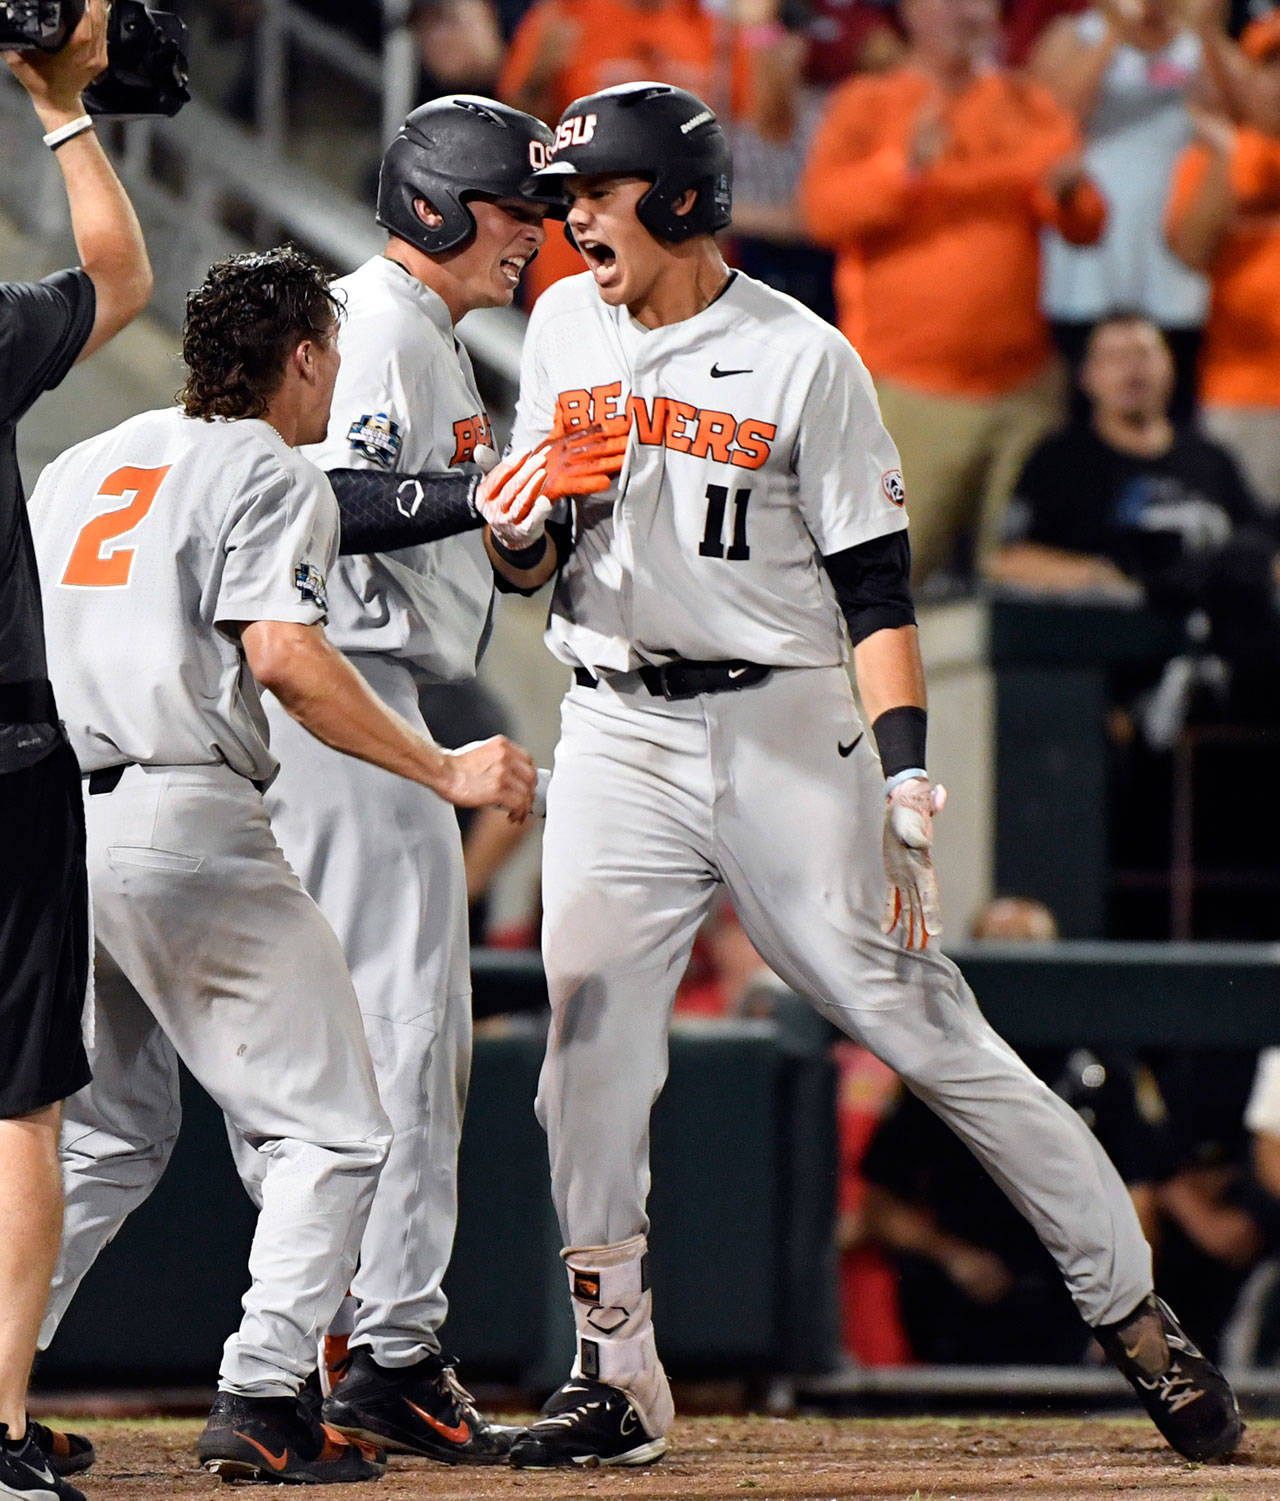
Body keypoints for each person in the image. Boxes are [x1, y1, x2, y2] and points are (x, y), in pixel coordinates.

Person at [482, 79, 1243, 1470]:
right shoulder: (556, 322)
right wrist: (519, 528)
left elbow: (879, 592)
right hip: (614, 724)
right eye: (566, 198)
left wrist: (905, 778)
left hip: (785, 727)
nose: (575, 218)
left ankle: (1133, 1308)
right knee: (585, 1048)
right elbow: (534, 568)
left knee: (922, 1026)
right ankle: (615, 1368)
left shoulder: (803, 356)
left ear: (685, 198)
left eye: (600, 191)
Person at [27, 246, 537, 1486]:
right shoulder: (272, 465)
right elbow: (287, 659)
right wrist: (446, 770)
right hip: (185, 814)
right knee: (337, 1129)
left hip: (56, 819)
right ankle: (265, 1391)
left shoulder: (87, 460)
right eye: (329, 360)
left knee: (98, 1140)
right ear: (306, 356)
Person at [235, 96, 560, 1467]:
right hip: (347, 697)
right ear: (434, 204)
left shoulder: (423, 329)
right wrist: (472, 504)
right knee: (403, 1037)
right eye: (510, 208)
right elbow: (324, 495)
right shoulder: (376, 323)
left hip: (356, 698)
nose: (533, 234)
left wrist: (518, 522)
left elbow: (442, 525)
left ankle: (355, 1335)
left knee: (384, 1040)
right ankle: (383, 1348)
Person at [0, 4, 152, 1497]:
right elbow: (121, 279)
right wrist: (58, 104)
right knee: (21, 1106)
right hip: (4, 764)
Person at [799, 0, 1105, 589]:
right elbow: (822, 212)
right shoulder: (869, 102)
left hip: (1023, 395)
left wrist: (1071, 195)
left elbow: (1084, 224)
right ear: (910, 13)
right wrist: (902, 169)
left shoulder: (1028, 104)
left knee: (1028, 586)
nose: (969, 12)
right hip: (908, 392)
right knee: (881, 588)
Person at [989, 310, 1280, 712]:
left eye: (1144, 355)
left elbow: (1261, 543)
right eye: (1115, 358)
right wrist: (1101, 578)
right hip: (1119, 651)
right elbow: (1006, 560)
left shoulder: (1210, 459)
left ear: (1170, 367)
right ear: (1087, 377)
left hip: (1228, 637)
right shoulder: (1059, 462)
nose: (1132, 371)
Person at [1028, 0, 1250, 423]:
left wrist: (1205, 35)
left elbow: (1245, 118)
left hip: (1170, 259)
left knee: (1175, 408)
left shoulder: (1195, 40)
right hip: (1089, 260)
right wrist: (1114, 35)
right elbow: (1053, 119)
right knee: (1085, 412)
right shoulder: (1073, 36)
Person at [1166, 16, 1280, 513]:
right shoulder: (1212, 155)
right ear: (1248, 80)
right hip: (1245, 394)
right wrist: (1224, 153)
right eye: (1272, 67)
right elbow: (1191, 251)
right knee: (1246, 549)